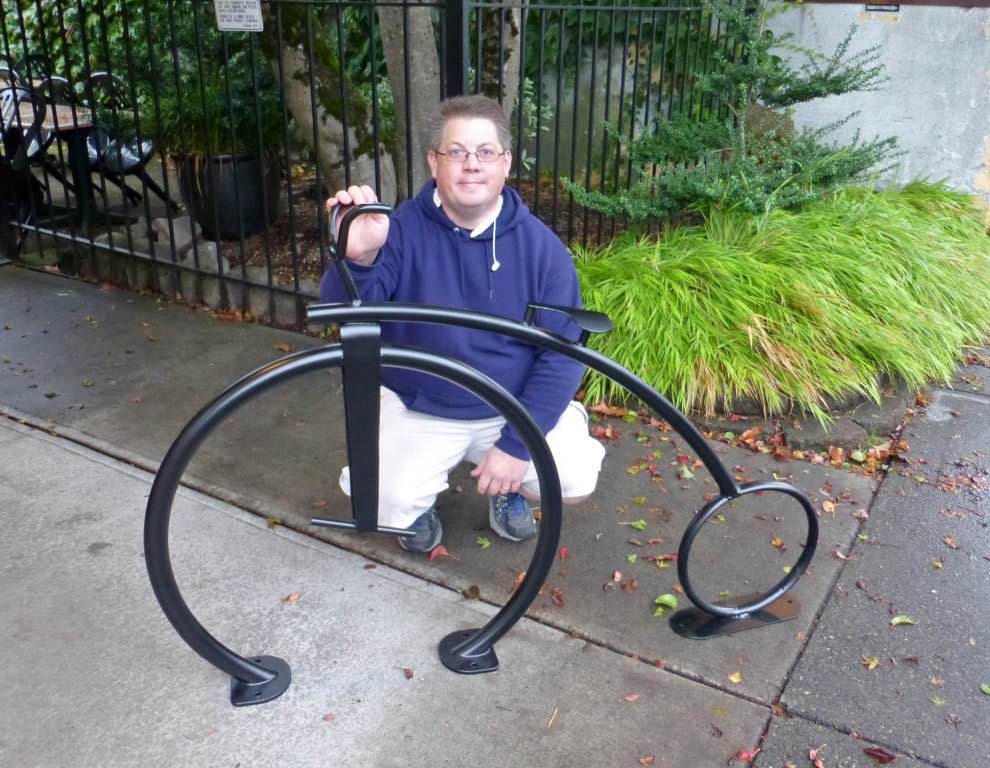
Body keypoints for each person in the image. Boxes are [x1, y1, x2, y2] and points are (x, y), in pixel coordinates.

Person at [320, 94, 605, 553]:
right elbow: (345, 320)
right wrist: (360, 256)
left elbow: (561, 355)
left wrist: (516, 444)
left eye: (485, 152)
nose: (471, 165)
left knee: (573, 480)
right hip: (421, 405)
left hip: (508, 405)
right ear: (435, 162)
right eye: (456, 151)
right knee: (386, 506)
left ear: (506, 163)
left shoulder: (541, 248)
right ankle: (419, 502)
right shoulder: (399, 230)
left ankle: (506, 485)